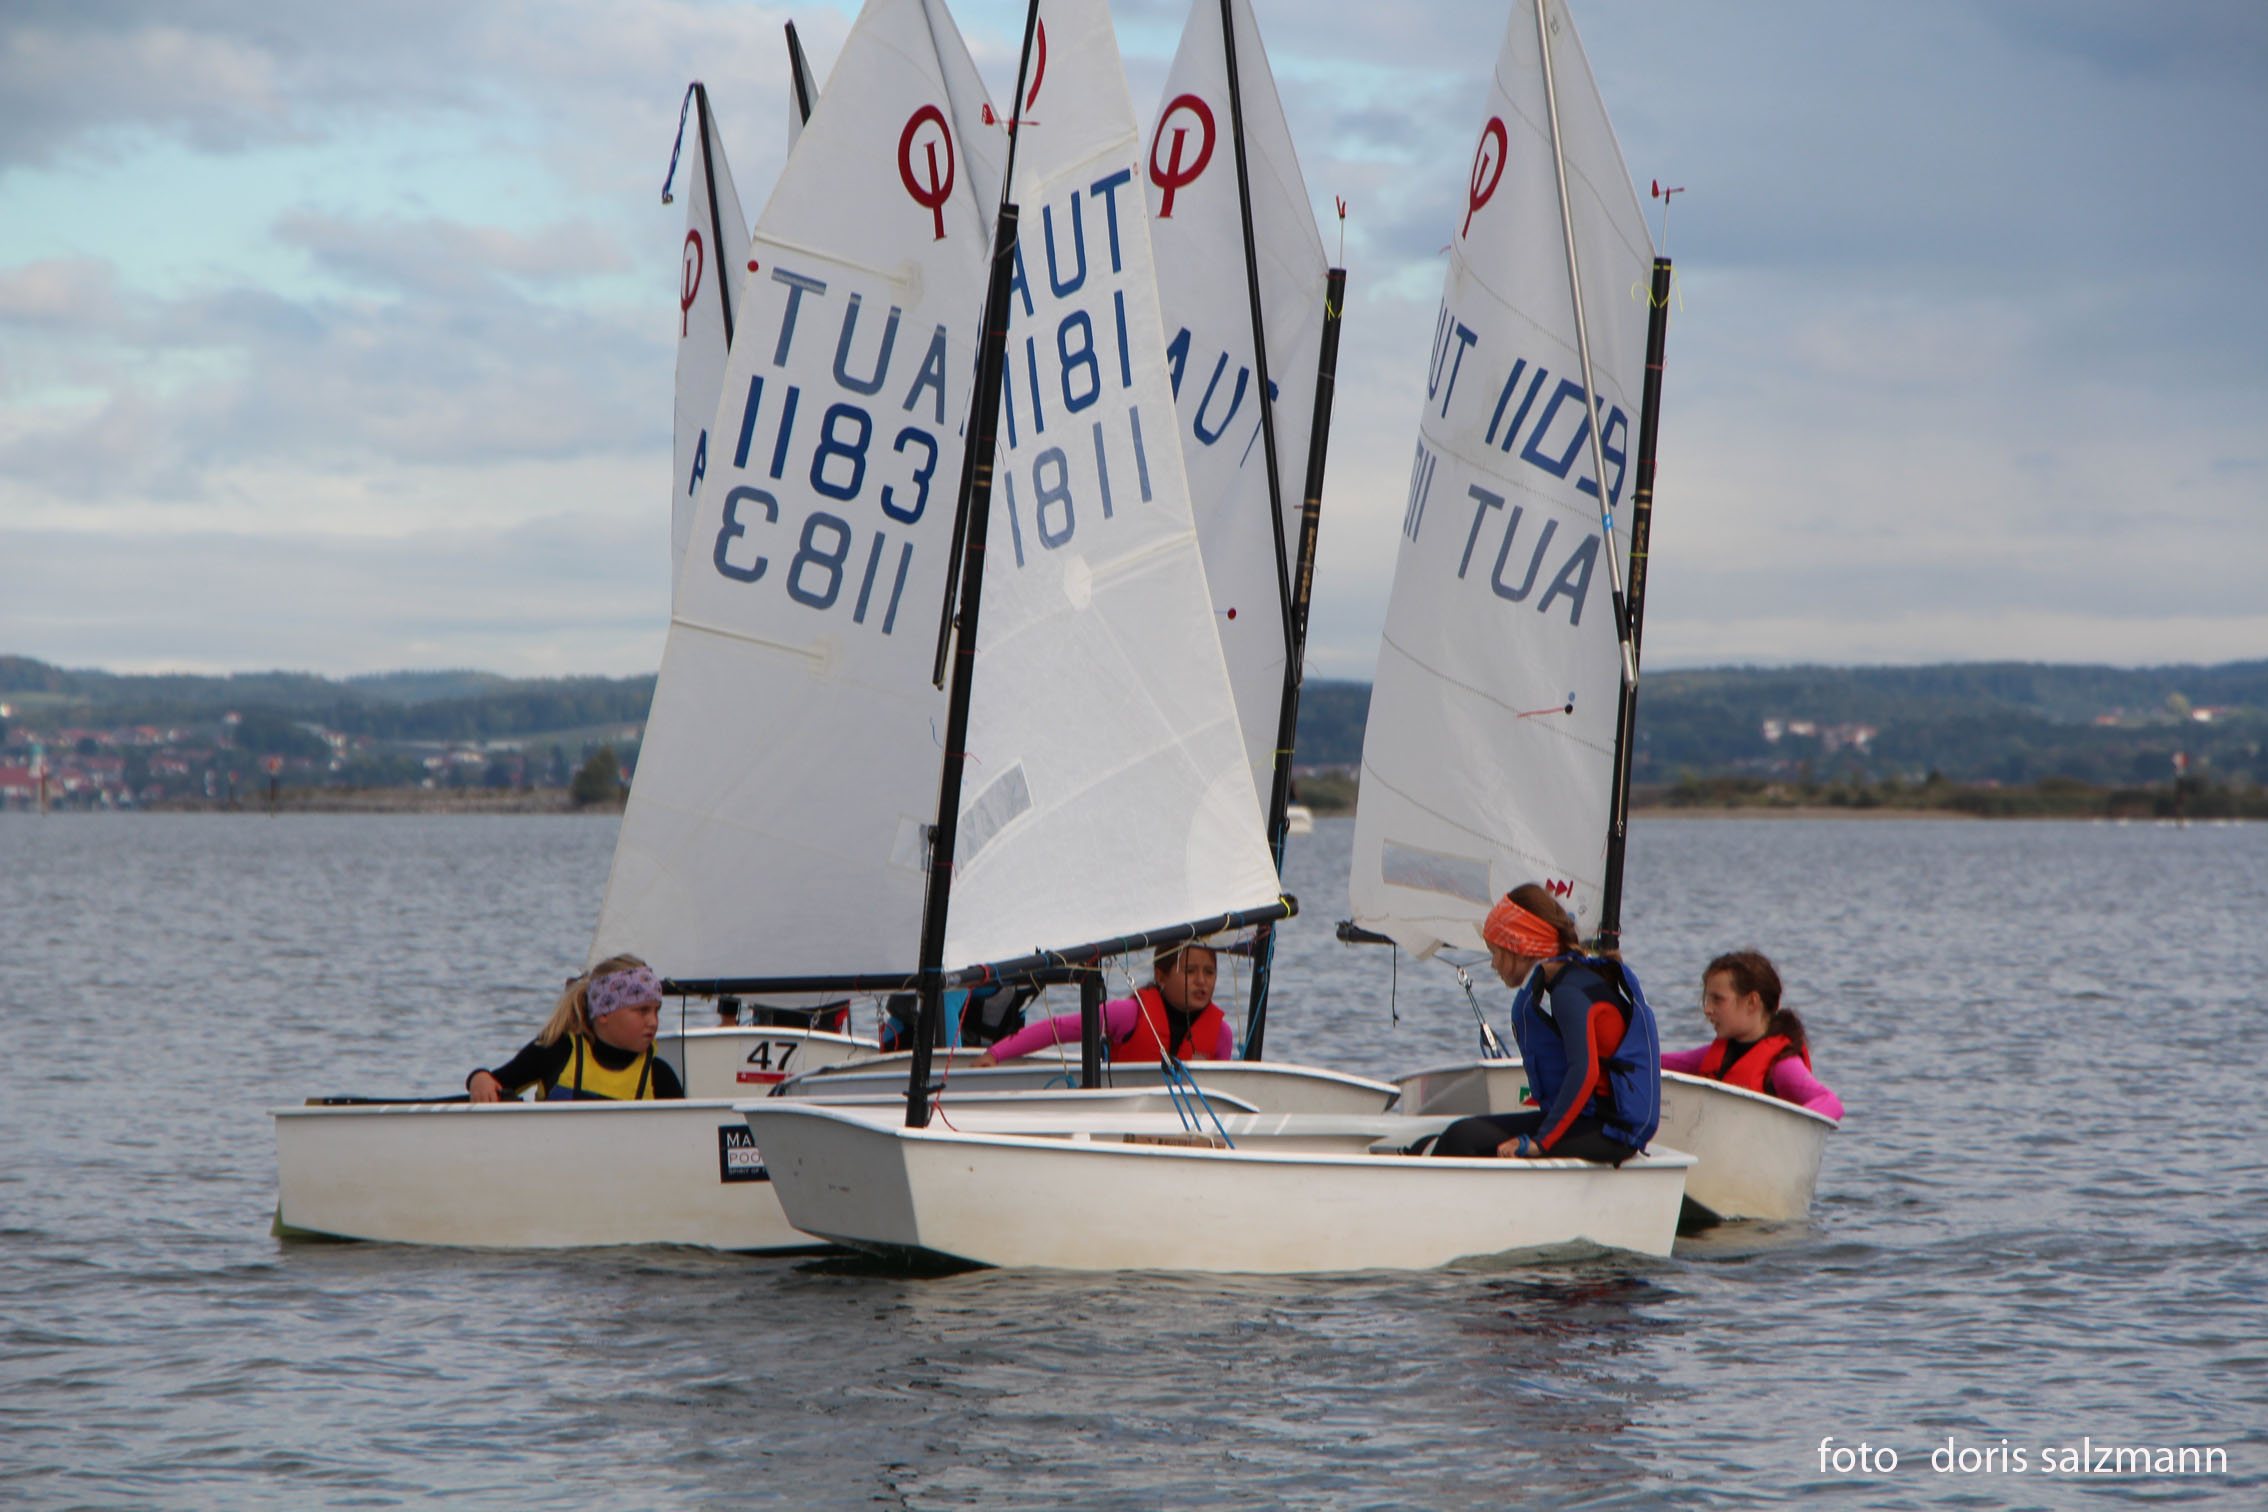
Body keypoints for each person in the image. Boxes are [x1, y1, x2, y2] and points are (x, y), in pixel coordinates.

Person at [1429, 885, 1660, 1163]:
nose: (1493, 964)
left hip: (1608, 1133)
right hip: (1590, 1123)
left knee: (1461, 1137)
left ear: (1520, 948)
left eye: (1495, 952)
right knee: (1448, 1137)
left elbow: (1584, 1072)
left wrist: (1540, 1143)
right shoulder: (1568, 981)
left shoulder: (1569, 993)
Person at [970, 940, 1235, 1067]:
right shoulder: (1129, 1014)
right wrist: (995, 1054)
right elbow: (1057, 1029)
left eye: (1209, 972)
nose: (1202, 981)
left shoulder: (1221, 1034)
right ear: (1160, 976)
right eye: (1189, 972)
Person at [468, 954, 686, 1102]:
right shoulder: (556, 1052)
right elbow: (494, 1081)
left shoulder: (660, 1075)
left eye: (656, 1011)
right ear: (604, 1013)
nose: (653, 1022)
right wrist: (478, 1078)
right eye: (642, 1011)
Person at [1661, 950, 1843, 1118]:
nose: (1707, 1009)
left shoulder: (1782, 1065)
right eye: (1707, 999)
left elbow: (1831, 1103)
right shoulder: (1712, 1055)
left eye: (1718, 999)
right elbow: (1654, 1062)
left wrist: (1791, 1126)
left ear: (1751, 1002)